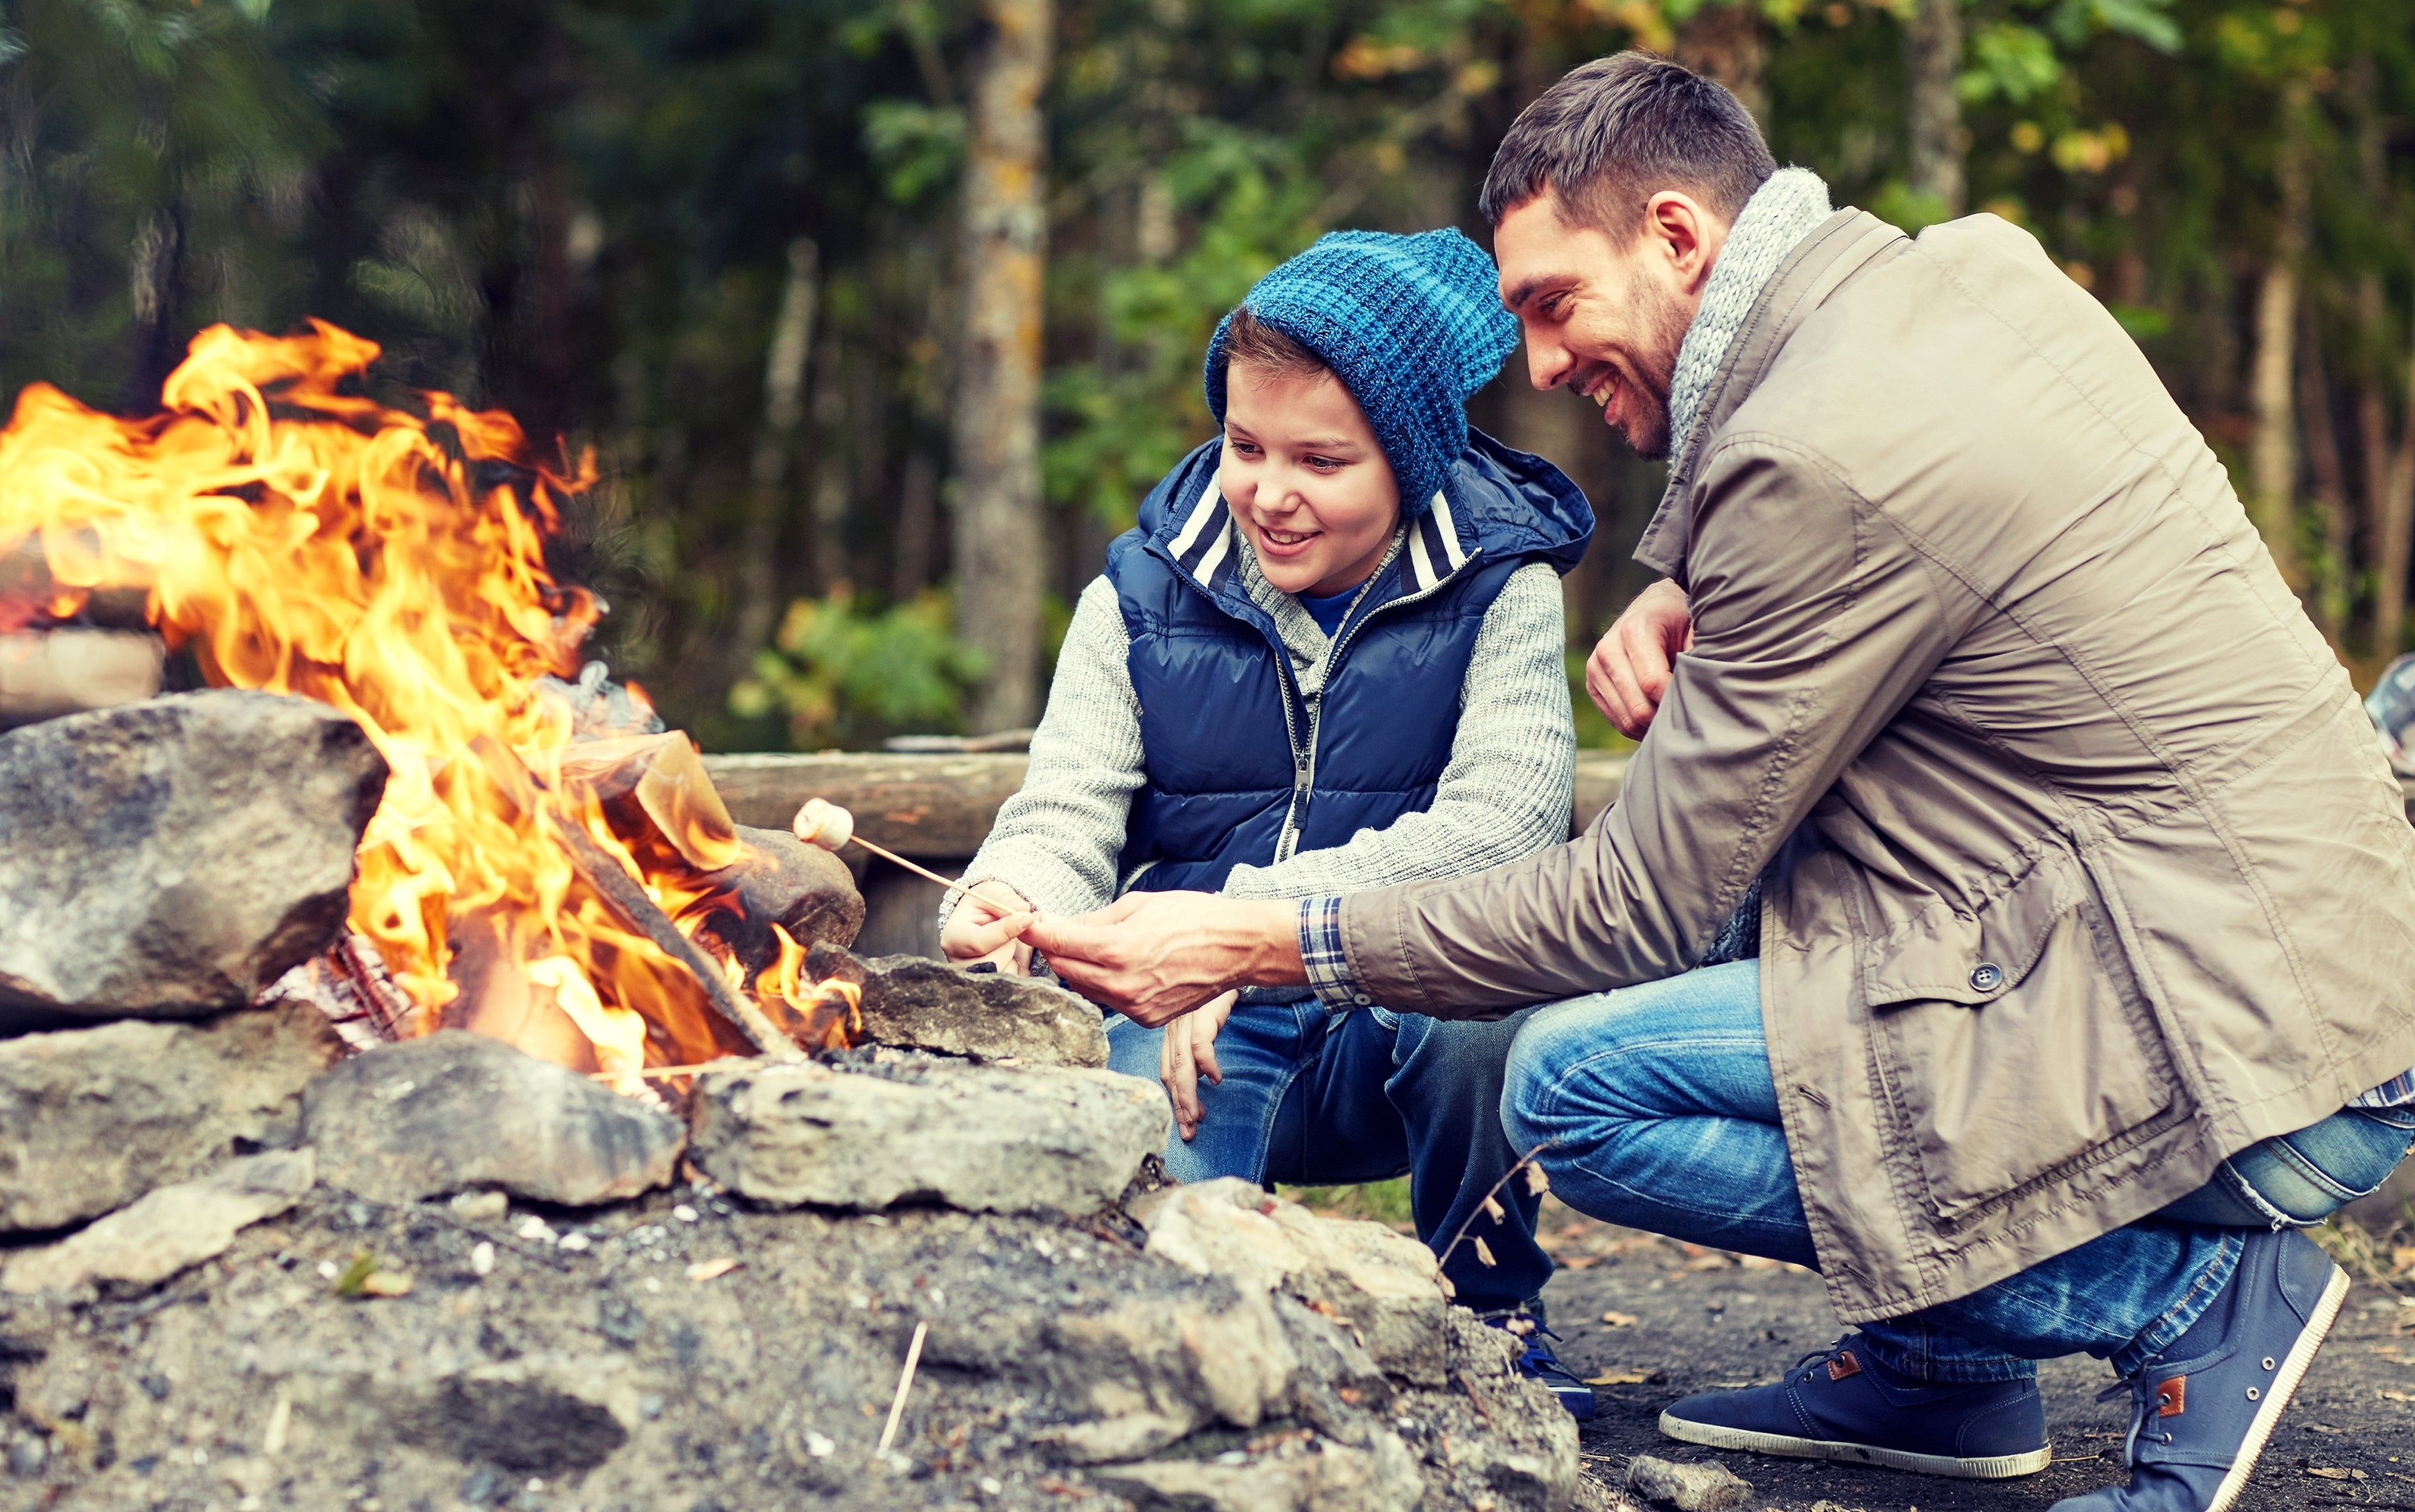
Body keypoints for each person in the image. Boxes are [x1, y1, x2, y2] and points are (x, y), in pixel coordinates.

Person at [1017, 52, 2415, 1512]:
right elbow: (1944, 545)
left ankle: (2177, 1301)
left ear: (1679, 238)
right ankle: (1944, 1369)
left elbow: (1635, 906)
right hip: (2312, 965)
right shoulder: (1967, 279)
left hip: (2254, 1059)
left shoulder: (1816, 459)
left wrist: (1256, 935)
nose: (1540, 366)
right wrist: (1701, 581)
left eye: (1554, 305)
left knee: (1577, 1080)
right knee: (1772, 902)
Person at [936, 229, 1602, 1413]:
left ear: (1406, 461)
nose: (1269, 493)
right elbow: (1065, 809)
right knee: (1180, 1299)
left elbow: (1505, 830)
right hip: (1193, 1033)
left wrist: (1236, 923)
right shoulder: (1138, 595)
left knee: (1496, 1001)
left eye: (1320, 460)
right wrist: (1012, 893)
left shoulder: (1503, 588)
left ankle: (1489, 1310)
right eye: (1244, 446)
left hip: (1388, 1030)